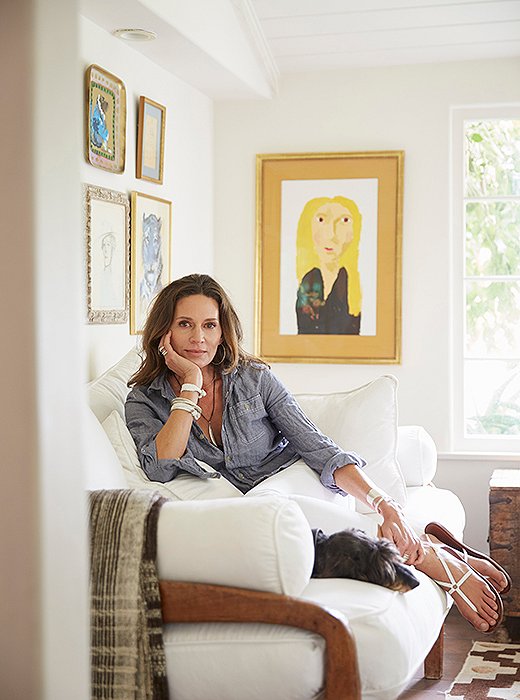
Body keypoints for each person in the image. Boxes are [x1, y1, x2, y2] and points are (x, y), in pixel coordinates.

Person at [126, 273, 509, 633]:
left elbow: (319, 448)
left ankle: (429, 558)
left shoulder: (255, 379)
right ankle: (430, 549)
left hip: (295, 485)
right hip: (255, 513)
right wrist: (190, 386)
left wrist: (385, 505)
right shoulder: (144, 399)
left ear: (223, 331)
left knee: (271, 505)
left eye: (209, 325)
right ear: (164, 332)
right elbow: (161, 466)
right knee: (263, 515)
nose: (199, 338)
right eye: (185, 324)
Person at [295, 196, 362, 334]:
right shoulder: (308, 280)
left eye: (344, 221)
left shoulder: (356, 284)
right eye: (321, 220)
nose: (331, 234)